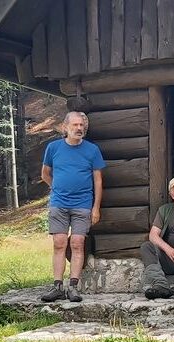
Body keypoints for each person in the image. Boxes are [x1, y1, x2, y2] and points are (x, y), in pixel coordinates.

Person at [40, 111, 106, 302]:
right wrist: (57, 188)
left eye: (82, 126)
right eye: (75, 125)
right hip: (59, 204)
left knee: (77, 244)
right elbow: (45, 173)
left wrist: (96, 208)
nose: (79, 128)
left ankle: (73, 287)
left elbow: (98, 181)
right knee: (59, 243)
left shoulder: (92, 150)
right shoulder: (53, 148)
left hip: (83, 205)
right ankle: (57, 287)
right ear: (65, 127)